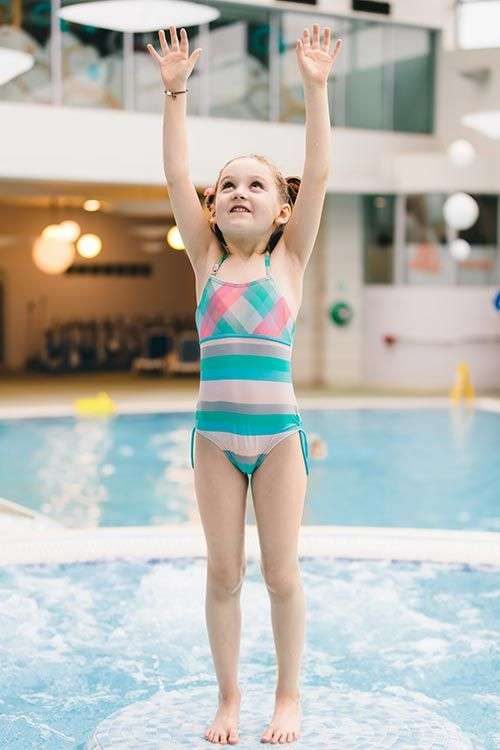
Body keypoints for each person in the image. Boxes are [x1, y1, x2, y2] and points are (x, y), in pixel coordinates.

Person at [148, 24, 342, 745]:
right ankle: (229, 698)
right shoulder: (204, 261)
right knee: (223, 573)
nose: (237, 192)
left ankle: (287, 696)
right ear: (212, 206)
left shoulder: (288, 262)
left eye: (255, 184)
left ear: (281, 208)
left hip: (281, 441)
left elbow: (317, 175)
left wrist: (315, 89)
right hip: (215, 443)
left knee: (281, 575)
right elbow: (175, 178)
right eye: (227, 184)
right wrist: (175, 92)